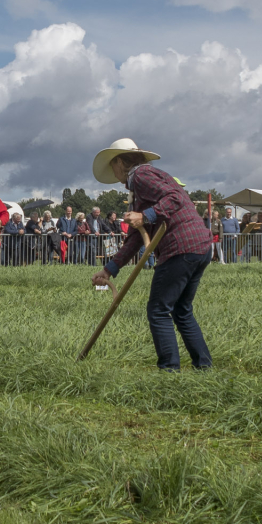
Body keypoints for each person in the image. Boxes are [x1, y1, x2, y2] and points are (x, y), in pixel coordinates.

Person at [88, 138, 213, 371]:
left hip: (180, 248)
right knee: (182, 310)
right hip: (200, 246)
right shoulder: (143, 183)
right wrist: (109, 269)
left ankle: (169, 372)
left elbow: (174, 199)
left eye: (112, 166)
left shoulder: (141, 176)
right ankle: (204, 367)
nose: (113, 174)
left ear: (119, 162)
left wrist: (145, 216)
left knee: (158, 310)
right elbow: (137, 236)